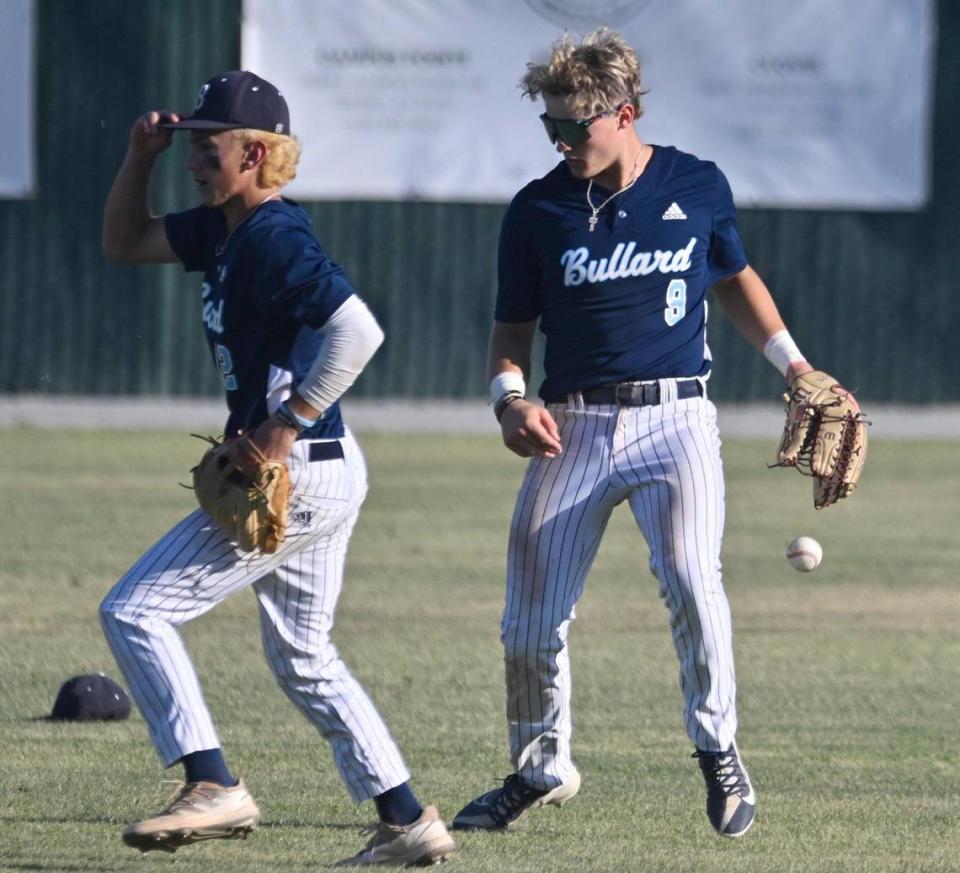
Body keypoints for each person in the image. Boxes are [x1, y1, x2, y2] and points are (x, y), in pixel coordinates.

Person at [452, 28, 859, 839]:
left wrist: (795, 365)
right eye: (551, 128)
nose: (563, 141)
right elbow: (510, 331)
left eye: (577, 126)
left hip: (676, 418)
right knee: (528, 624)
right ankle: (541, 768)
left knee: (689, 578)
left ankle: (718, 748)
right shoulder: (536, 211)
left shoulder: (695, 184)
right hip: (573, 424)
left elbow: (734, 276)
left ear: (624, 113)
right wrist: (508, 401)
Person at [99, 70, 454, 867]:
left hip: (305, 467)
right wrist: (139, 157)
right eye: (190, 143)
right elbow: (124, 243)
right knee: (303, 656)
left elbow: (359, 332)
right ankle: (405, 817)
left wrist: (283, 428)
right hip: (327, 467)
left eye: (207, 144)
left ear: (255, 152)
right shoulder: (225, 228)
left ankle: (211, 780)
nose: (194, 157)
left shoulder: (273, 234)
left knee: (134, 610)